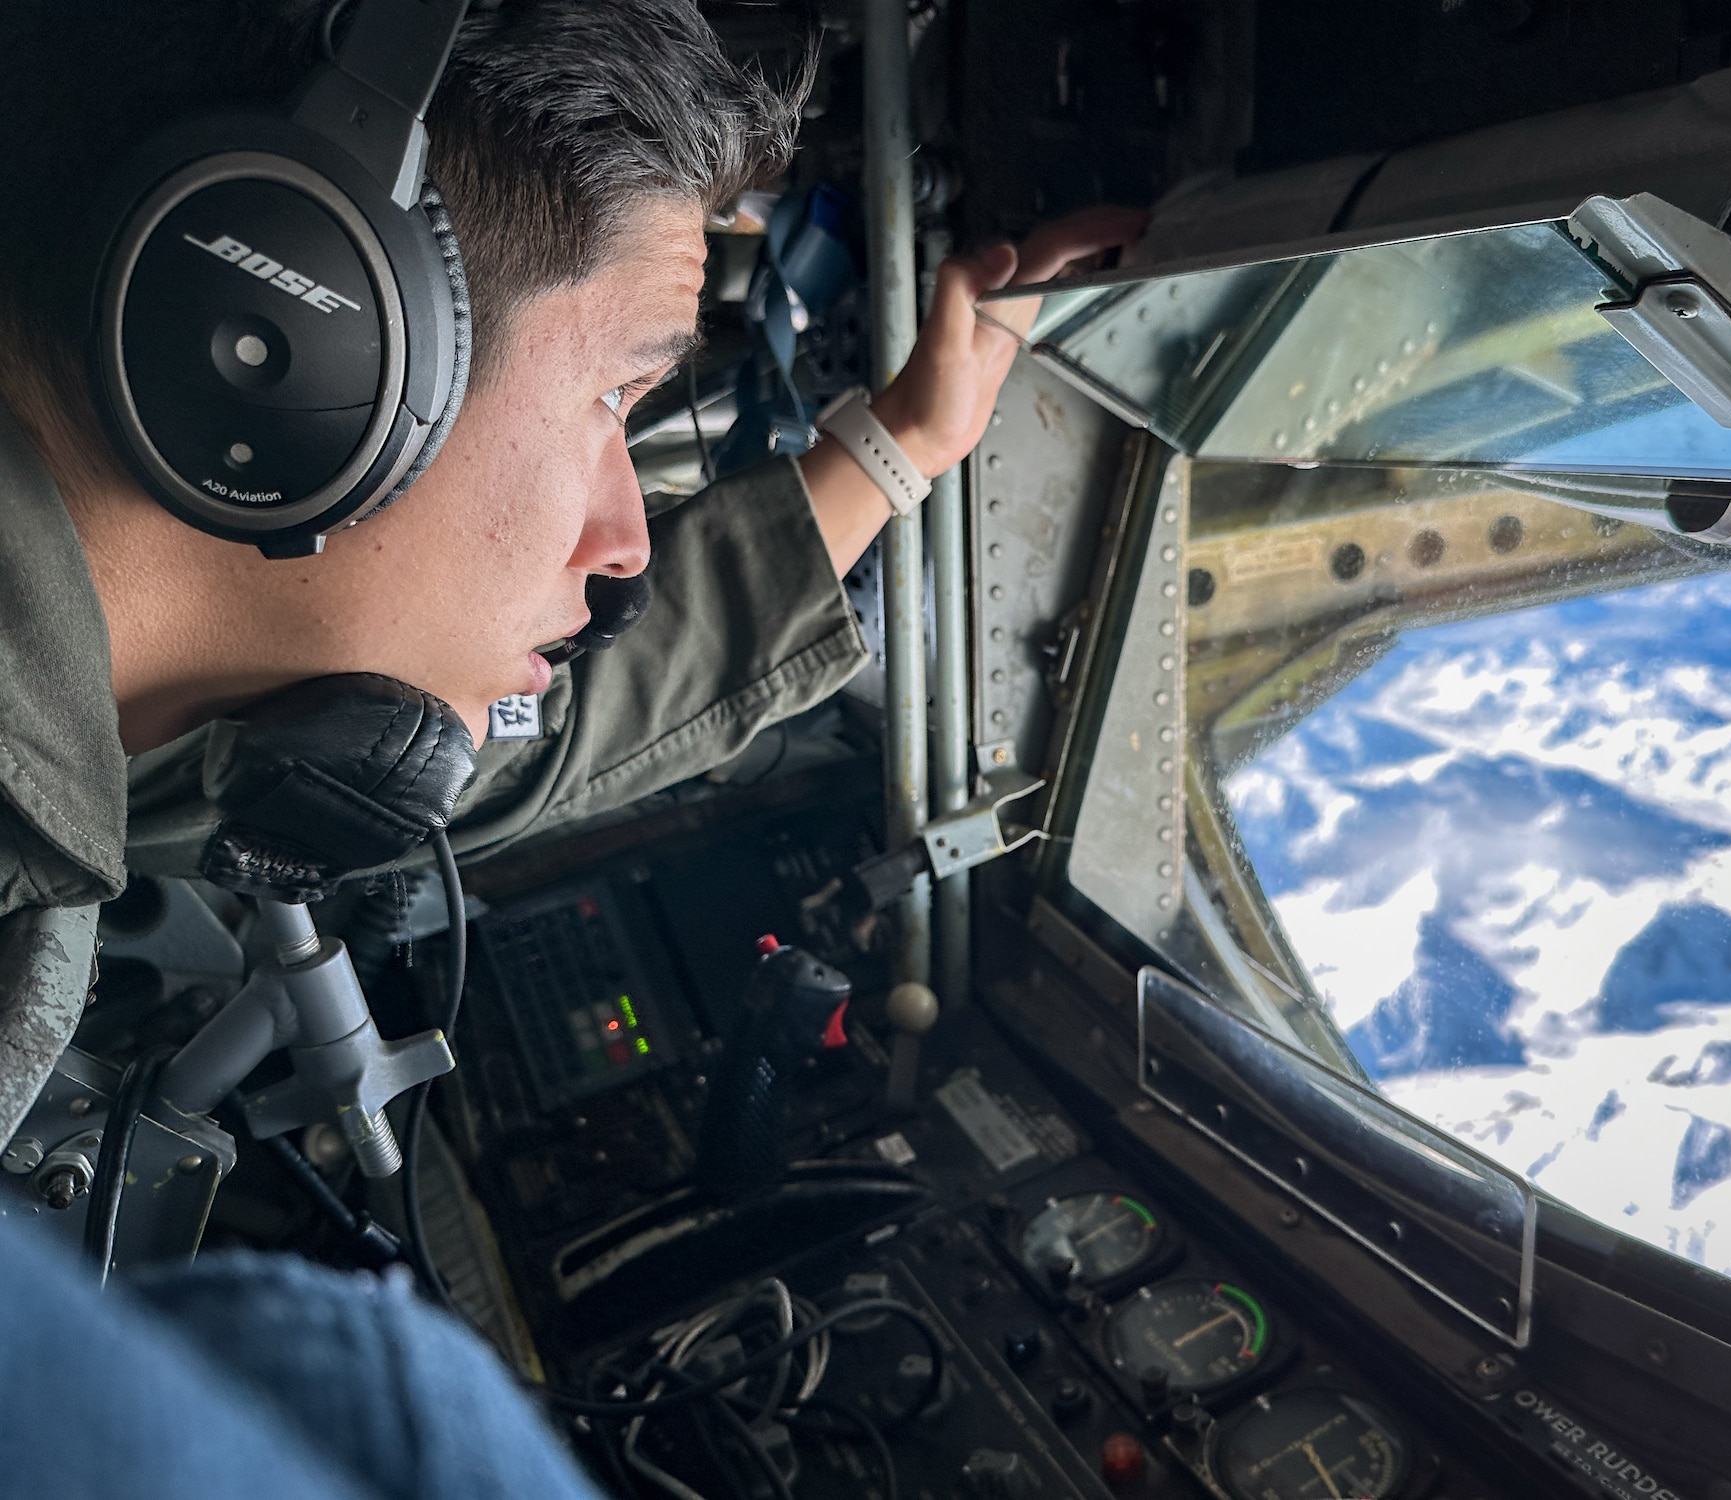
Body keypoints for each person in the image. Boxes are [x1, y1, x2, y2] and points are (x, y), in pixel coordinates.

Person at [0, 0, 1143, 1494]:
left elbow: (517, 736)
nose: (622, 543)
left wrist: (903, 445)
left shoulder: (113, 730)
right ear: (295, 328)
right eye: (613, 394)